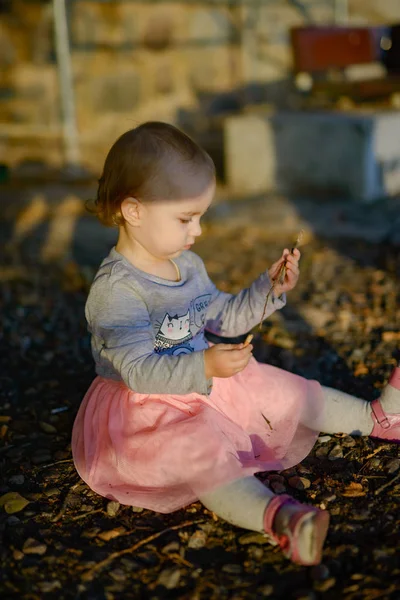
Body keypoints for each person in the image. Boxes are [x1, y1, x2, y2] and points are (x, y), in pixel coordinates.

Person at [72, 122, 400, 567]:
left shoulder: (185, 264)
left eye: (201, 216)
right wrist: (203, 366)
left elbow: (223, 316)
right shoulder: (117, 291)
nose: (199, 231)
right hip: (148, 409)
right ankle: (278, 518)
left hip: (204, 378)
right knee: (200, 451)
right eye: (186, 218)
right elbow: (137, 371)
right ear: (134, 210)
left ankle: (377, 417)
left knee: (283, 390)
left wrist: (267, 291)